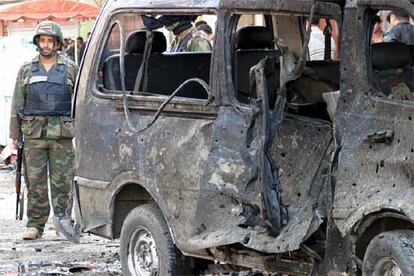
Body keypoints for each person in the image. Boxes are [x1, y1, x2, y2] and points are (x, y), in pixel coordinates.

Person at [9, 21, 79, 241]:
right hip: (34, 134)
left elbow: (79, 101)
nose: (46, 45)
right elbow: (17, 103)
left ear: (57, 43)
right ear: (37, 43)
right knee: (35, 182)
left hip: (62, 134)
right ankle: (35, 225)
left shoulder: (70, 68)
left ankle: (63, 222)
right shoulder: (26, 69)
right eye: (42, 40)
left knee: (63, 181)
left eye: (50, 41)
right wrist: (13, 135)